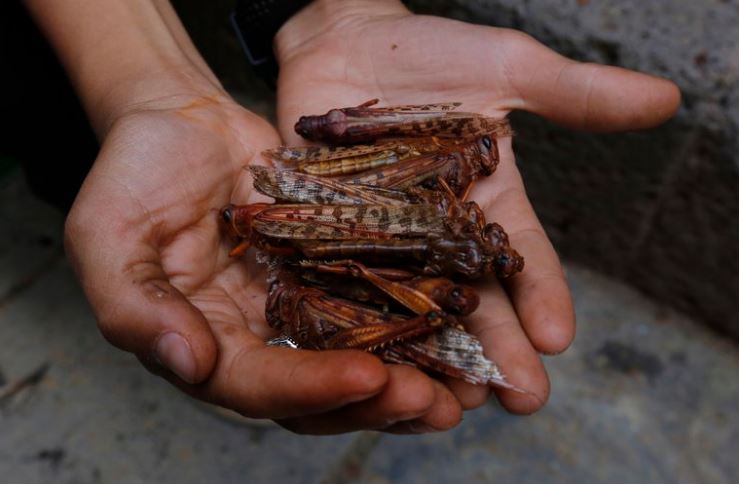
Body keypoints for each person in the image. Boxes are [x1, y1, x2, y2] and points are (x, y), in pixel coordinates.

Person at [21, 0, 680, 434]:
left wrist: (332, 9)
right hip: (329, 216)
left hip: (360, 225)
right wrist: (143, 87)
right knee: (60, 145)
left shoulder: (435, 231)